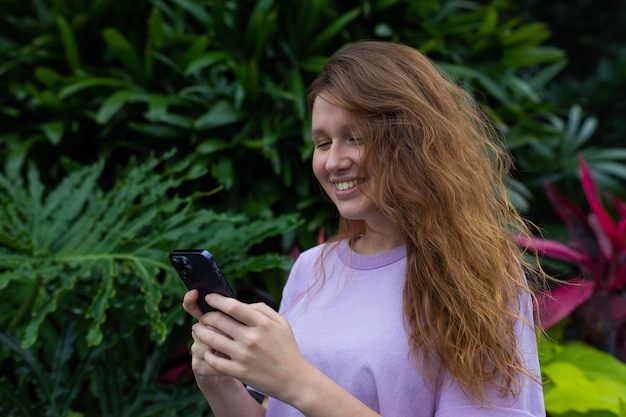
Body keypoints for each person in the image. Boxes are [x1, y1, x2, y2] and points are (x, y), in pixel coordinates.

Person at [182, 40, 547, 416]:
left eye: (354, 138)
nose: (334, 161)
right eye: (323, 143)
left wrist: (297, 380)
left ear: (412, 141)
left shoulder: (479, 272)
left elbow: (300, 387)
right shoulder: (312, 267)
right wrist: (220, 382)